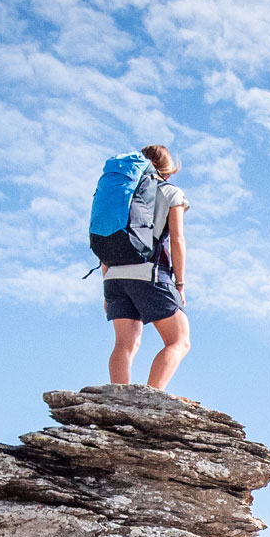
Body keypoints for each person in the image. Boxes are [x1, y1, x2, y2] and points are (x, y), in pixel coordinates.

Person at [101, 143, 191, 390]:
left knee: (125, 344)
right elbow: (177, 240)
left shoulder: (122, 193)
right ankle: (151, 396)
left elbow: (108, 237)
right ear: (168, 170)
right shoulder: (171, 192)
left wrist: (106, 283)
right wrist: (180, 283)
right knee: (179, 340)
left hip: (113, 277)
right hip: (149, 273)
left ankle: (118, 401)